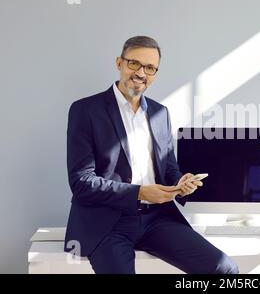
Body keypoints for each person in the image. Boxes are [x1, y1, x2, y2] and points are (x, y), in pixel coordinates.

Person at [64, 35, 239, 274]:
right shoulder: (86, 110)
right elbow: (81, 182)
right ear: (119, 63)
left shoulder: (160, 113)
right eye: (133, 63)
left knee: (224, 268)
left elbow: (168, 169)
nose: (140, 73)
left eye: (149, 68)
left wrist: (181, 183)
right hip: (107, 223)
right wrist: (140, 192)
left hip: (157, 219)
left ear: (155, 73)